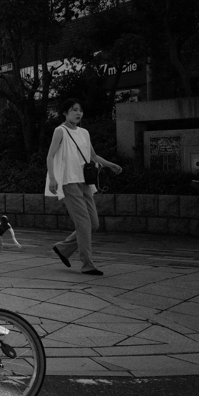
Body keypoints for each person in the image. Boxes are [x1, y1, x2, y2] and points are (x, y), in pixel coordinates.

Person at [46, 98, 122, 275]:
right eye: (74, 110)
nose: (78, 113)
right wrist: (52, 179)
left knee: (93, 224)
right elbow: (50, 156)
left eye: (80, 110)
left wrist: (110, 165)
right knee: (83, 223)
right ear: (65, 112)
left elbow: (93, 156)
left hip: (86, 182)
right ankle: (87, 263)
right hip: (68, 182)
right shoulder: (60, 131)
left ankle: (63, 248)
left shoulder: (84, 133)